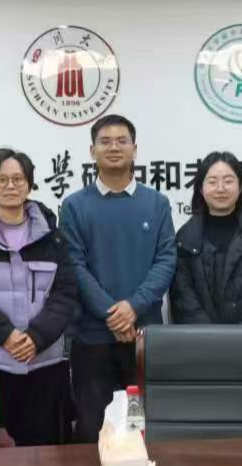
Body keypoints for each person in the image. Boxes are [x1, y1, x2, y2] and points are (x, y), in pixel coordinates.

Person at [0, 149, 81, 446]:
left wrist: (36, 336)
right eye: (2, 180)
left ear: (29, 184)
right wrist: (6, 335)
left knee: (45, 454)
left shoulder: (52, 236)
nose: (10, 186)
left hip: (43, 363)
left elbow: (65, 293)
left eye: (18, 179)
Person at [60, 114, 177, 441]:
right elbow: (73, 264)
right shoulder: (74, 206)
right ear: (92, 151)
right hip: (91, 339)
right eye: (105, 142)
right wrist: (113, 313)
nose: (114, 147)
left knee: (140, 429)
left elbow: (166, 260)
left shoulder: (157, 203)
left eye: (122, 141)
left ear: (134, 149)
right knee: (92, 430)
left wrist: (133, 307)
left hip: (142, 337)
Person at [170, 151, 242, 325]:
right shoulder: (185, 239)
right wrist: (209, 336)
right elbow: (182, 296)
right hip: (199, 339)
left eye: (228, 181)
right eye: (212, 182)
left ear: (241, 186)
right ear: (201, 188)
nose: (220, 189)